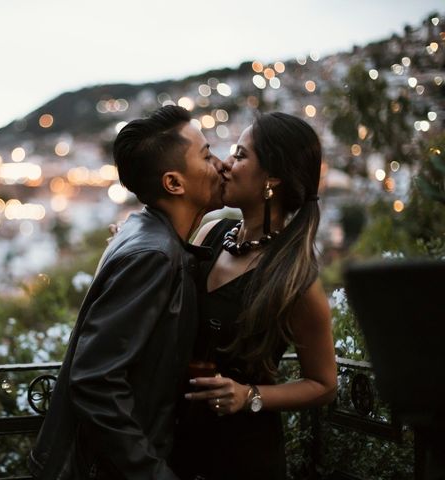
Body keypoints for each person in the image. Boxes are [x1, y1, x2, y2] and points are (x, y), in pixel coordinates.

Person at [28, 105, 226, 479]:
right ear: (174, 183)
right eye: (206, 155)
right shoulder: (153, 255)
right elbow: (94, 379)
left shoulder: (151, 238)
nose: (220, 164)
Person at [170, 112, 338, 480]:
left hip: (243, 457)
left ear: (271, 179)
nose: (226, 164)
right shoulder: (211, 233)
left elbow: (324, 384)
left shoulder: (295, 278)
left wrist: (249, 396)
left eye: (240, 155)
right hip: (176, 443)